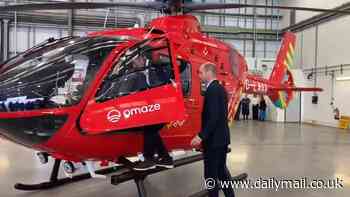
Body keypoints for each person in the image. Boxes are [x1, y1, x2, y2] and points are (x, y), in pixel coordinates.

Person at [191, 63, 235, 197]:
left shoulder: (213, 90)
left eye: (200, 72)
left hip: (214, 142)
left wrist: (201, 136)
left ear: (208, 73)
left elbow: (214, 117)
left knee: (210, 175)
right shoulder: (220, 88)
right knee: (221, 172)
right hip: (221, 139)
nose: (199, 75)